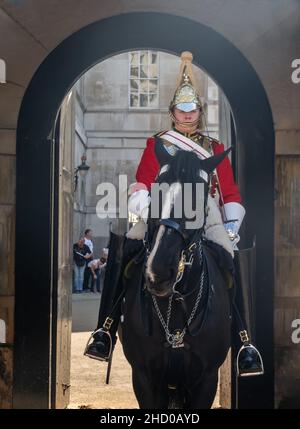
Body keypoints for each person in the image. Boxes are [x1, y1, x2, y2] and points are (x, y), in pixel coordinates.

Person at [85, 52, 263, 377]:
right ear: (172, 113)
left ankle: (244, 342)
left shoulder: (213, 146)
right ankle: (105, 330)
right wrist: (146, 206)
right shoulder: (158, 144)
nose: (186, 115)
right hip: (162, 207)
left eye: (192, 109)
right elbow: (141, 184)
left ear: (199, 111)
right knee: (125, 246)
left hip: (203, 212)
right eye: (181, 110)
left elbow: (230, 193)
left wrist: (232, 224)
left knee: (233, 256)